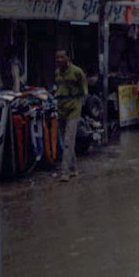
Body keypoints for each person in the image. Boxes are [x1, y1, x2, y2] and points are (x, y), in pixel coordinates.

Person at [54, 49, 88, 182]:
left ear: (68, 58)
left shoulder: (77, 72)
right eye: (57, 58)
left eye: (62, 57)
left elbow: (84, 92)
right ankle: (74, 169)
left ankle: (65, 172)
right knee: (66, 142)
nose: (59, 60)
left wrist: (79, 105)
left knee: (68, 141)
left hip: (73, 110)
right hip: (61, 109)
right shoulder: (57, 72)